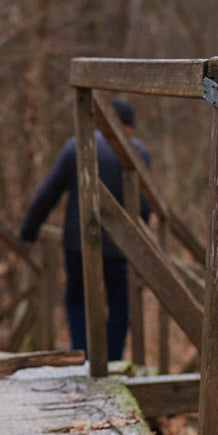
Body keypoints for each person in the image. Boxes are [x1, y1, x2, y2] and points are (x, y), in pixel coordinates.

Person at [19, 99, 151, 362]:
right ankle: (110, 363)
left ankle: (82, 357)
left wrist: (29, 232)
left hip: (78, 243)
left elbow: (48, 193)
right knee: (118, 307)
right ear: (128, 127)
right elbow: (145, 205)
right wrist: (140, 236)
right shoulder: (138, 151)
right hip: (120, 246)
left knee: (77, 300)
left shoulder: (76, 146)